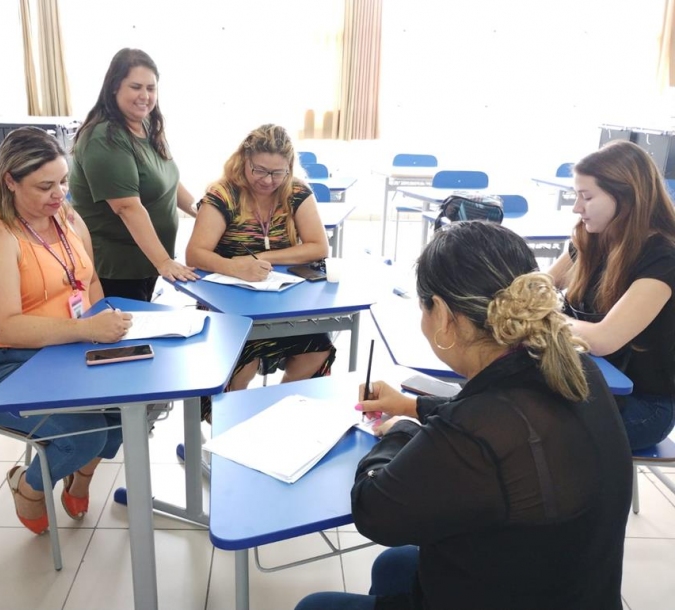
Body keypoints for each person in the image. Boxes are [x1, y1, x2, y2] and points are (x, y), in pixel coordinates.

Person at [296, 221, 633, 610]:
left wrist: (400, 431)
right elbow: (501, 421)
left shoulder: (475, 431)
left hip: (517, 589)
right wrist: (413, 406)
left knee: (315, 604)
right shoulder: (571, 366)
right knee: (396, 565)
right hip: (572, 587)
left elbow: (375, 513)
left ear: (441, 314)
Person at [0, 127, 133, 535]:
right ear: (9, 181)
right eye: (44, 186)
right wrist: (88, 330)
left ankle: (79, 477)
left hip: (58, 349)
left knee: (129, 411)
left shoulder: (65, 217)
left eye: (63, 181)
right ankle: (27, 487)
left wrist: (105, 325)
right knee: (84, 436)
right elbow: (6, 326)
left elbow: (91, 282)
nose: (59, 194)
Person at [185, 124, 335, 421]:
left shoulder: (296, 192)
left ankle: (276, 417)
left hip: (282, 301)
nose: (268, 181)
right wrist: (234, 266)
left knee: (317, 348)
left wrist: (261, 257)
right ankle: (230, 432)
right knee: (243, 361)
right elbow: (195, 253)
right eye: (260, 170)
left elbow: (319, 246)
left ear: (289, 168)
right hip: (227, 303)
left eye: (277, 173)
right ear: (244, 160)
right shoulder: (223, 194)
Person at [548, 140, 675, 451]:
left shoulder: (663, 258)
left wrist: (544, 315)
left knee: (531, 430)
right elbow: (543, 283)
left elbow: (604, 340)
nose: (577, 208)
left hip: (643, 406)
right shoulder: (591, 237)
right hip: (586, 381)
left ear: (626, 197)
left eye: (586, 197)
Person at [70, 48, 198, 303]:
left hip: (145, 263)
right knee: (125, 338)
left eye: (151, 88)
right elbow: (127, 207)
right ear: (115, 87)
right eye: (136, 87)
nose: (145, 96)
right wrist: (163, 261)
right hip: (116, 269)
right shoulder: (104, 138)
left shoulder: (147, 124)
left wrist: (203, 212)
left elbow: (168, 178)